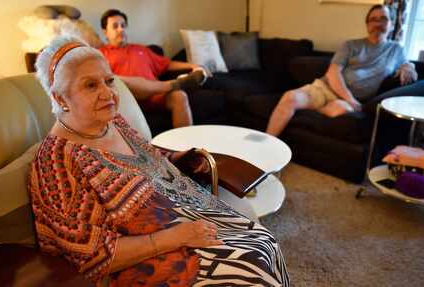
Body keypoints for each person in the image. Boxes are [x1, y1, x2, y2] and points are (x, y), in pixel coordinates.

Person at [29, 35, 289, 287]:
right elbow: (89, 254)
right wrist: (176, 237)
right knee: (252, 271)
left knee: (264, 243)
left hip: (182, 214)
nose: (108, 93)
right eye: (90, 85)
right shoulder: (55, 161)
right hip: (147, 259)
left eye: (109, 81)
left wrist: (178, 158)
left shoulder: (113, 121)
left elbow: (146, 155)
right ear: (61, 98)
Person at [266, 4, 418, 137]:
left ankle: (317, 109)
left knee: (340, 111)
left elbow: (410, 68)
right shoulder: (351, 45)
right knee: (290, 97)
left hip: (346, 102)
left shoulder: (396, 50)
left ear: (391, 24)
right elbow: (333, 73)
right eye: (373, 19)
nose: (377, 23)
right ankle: (267, 148)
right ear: (367, 25)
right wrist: (350, 100)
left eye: (383, 18)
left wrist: (409, 66)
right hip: (325, 88)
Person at [99, 9, 206, 128]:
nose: (121, 29)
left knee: (180, 96)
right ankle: (173, 84)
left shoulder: (140, 49)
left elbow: (167, 64)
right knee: (117, 79)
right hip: (128, 98)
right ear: (105, 31)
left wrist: (193, 66)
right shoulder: (100, 54)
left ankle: (185, 144)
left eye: (123, 25)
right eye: (115, 26)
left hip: (155, 94)